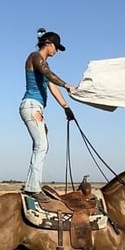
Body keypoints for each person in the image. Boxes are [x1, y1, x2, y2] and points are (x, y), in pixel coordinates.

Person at [20, 28, 76, 202]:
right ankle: (32, 187)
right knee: (41, 145)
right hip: (31, 106)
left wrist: (66, 107)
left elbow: (52, 86)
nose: (57, 51)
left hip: (37, 109)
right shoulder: (35, 57)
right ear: (47, 43)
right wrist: (68, 86)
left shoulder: (44, 63)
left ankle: (32, 184)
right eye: (56, 47)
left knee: (43, 145)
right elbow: (48, 74)